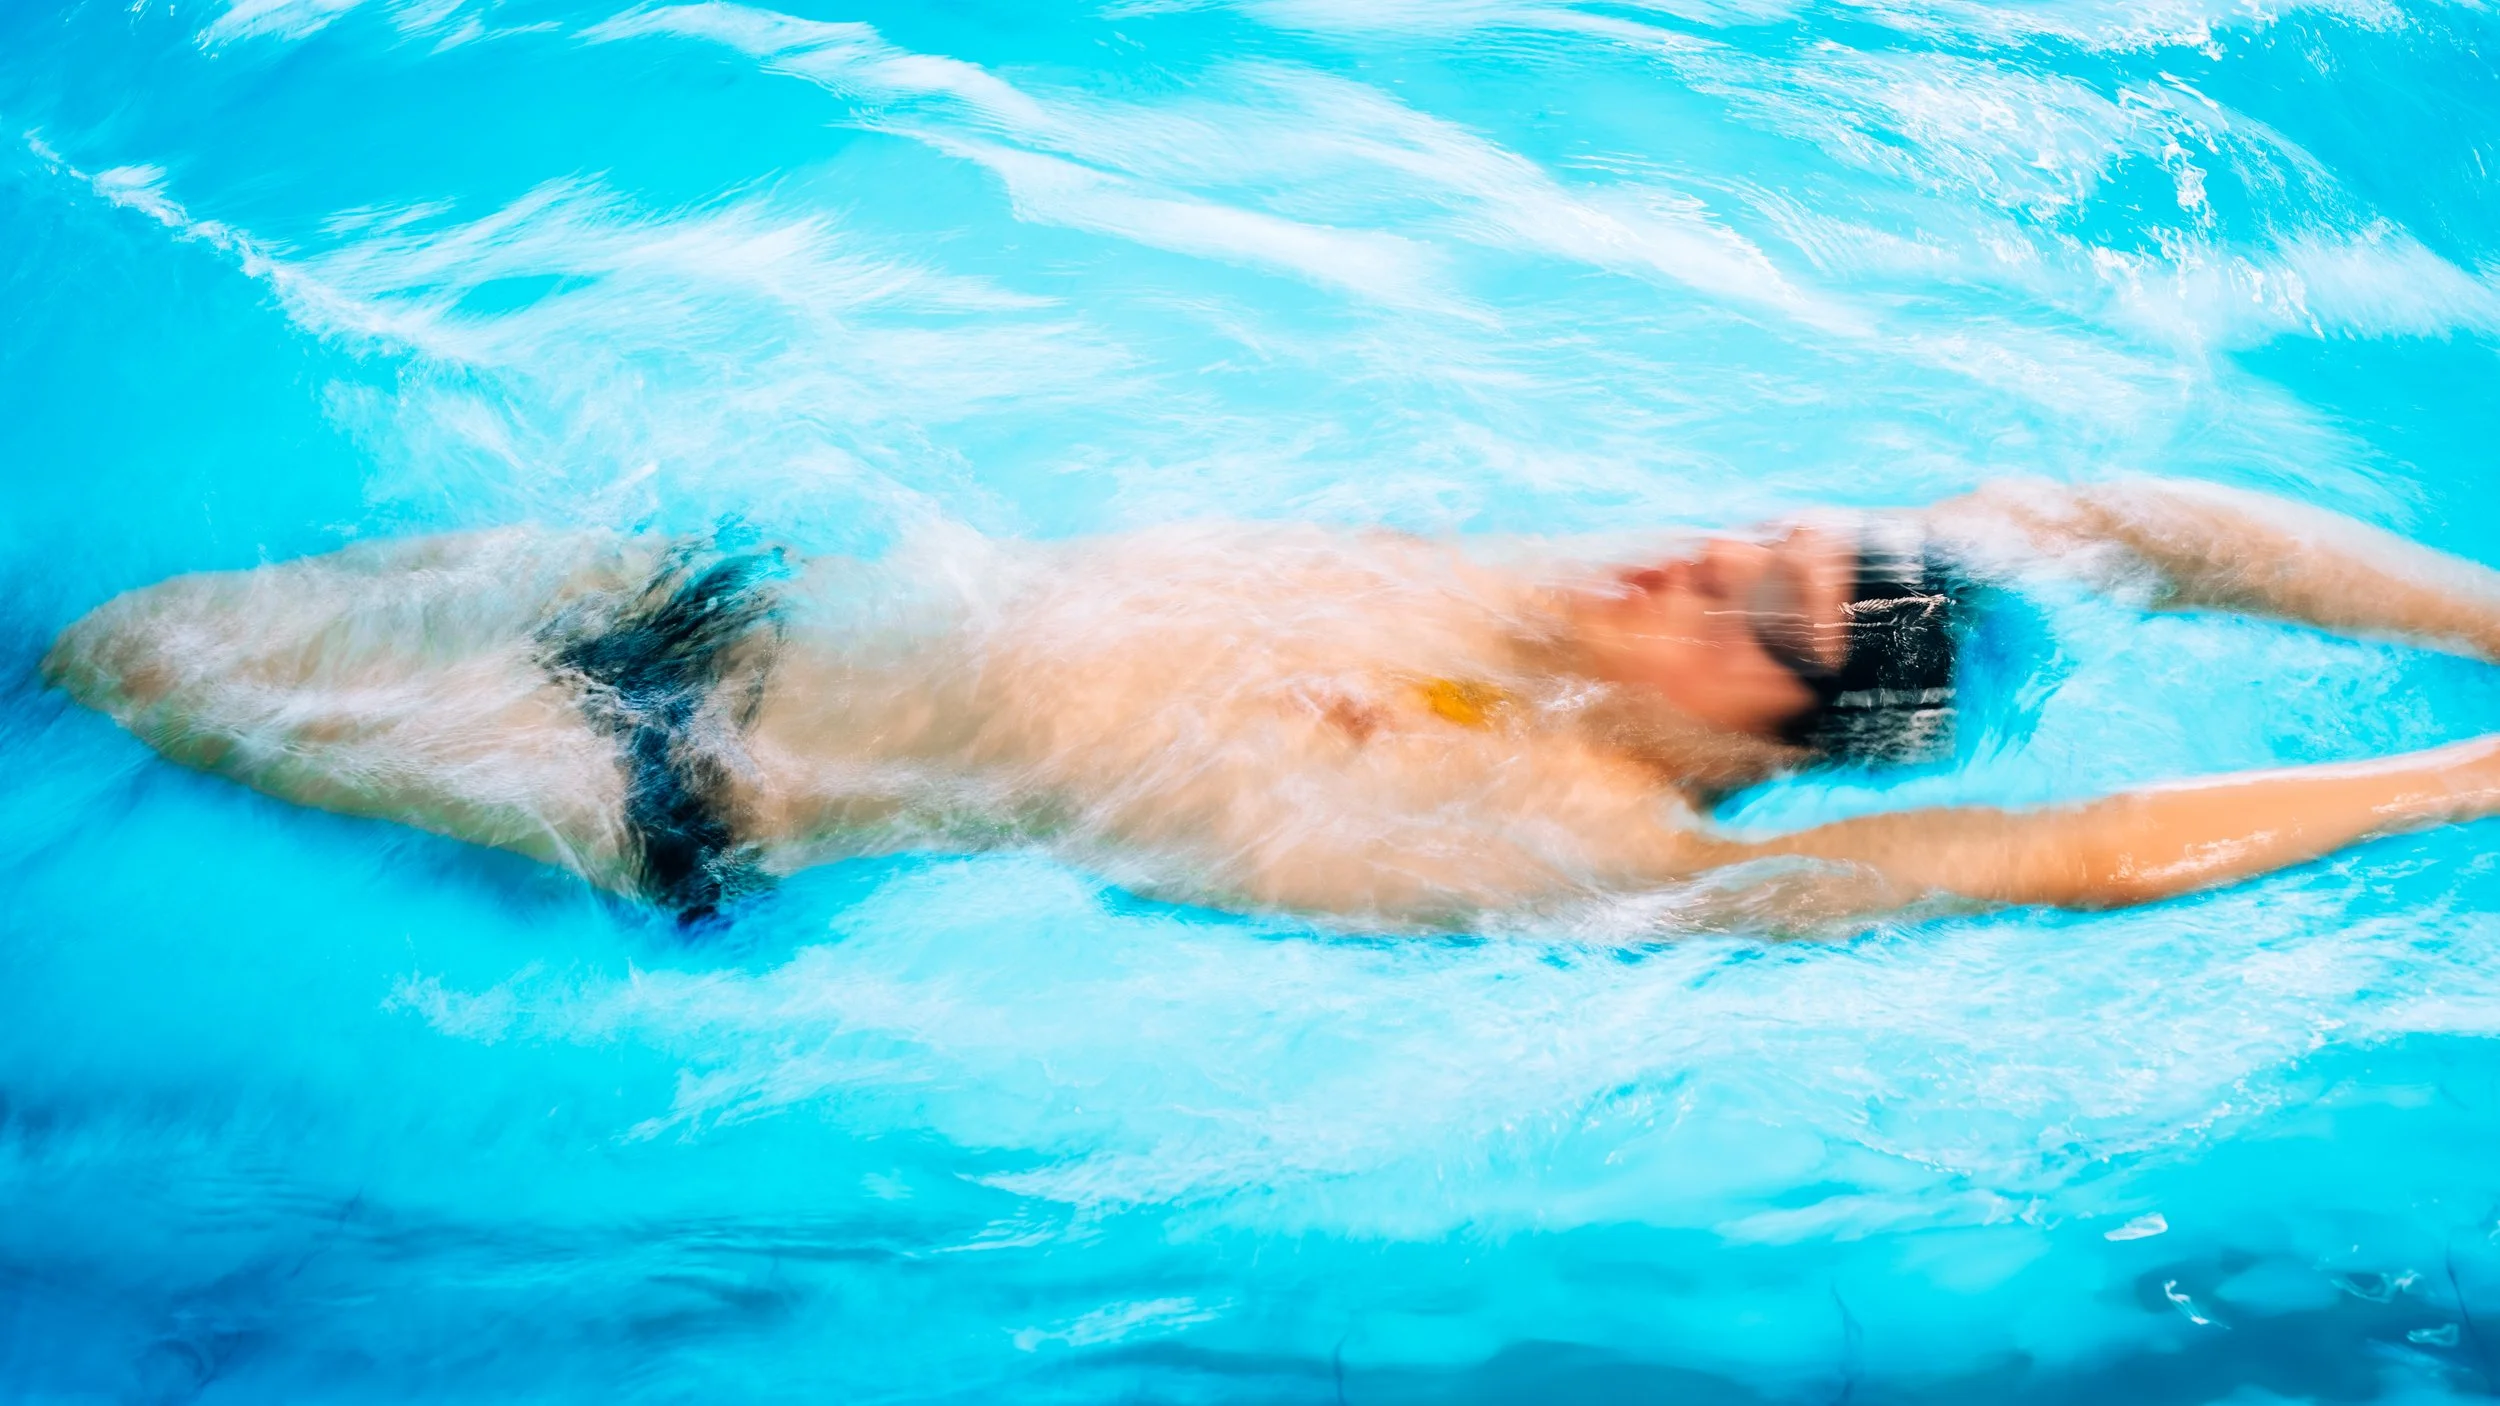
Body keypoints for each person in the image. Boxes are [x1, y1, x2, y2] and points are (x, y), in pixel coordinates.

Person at [39, 476, 2500, 932]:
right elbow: (2119, 514)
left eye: (1730, 596)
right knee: (108, 615)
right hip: (701, 588)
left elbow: (2062, 851)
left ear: (1754, 724)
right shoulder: (1574, 601)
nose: (1688, 549)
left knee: (110, 666)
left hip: (682, 778)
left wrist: (2471, 767)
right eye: (1750, 539)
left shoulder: (1609, 840)